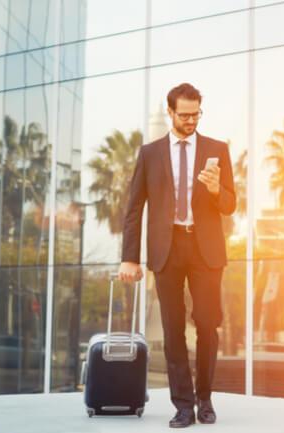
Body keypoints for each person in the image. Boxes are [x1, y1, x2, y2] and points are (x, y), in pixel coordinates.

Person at [118, 83, 236, 428]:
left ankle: (205, 399)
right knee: (172, 331)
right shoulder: (150, 153)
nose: (190, 121)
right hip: (167, 250)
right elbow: (133, 208)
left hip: (205, 250)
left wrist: (216, 189)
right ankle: (183, 405)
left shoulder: (218, 149)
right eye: (184, 115)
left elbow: (230, 205)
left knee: (207, 325)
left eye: (196, 113)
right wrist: (130, 257)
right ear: (170, 112)